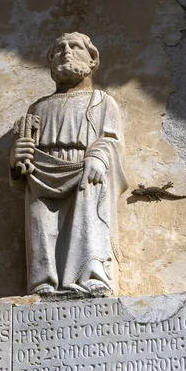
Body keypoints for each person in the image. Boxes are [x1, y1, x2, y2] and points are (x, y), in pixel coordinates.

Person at [10, 32, 128, 297]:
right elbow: (24, 158)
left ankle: (91, 275)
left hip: (86, 170)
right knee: (41, 223)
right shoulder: (38, 108)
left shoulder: (102, 102)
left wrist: (98, 156)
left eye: (75, 47)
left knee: (88, 218)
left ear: (92, 58)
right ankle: (44, 282)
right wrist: (17, 157)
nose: (66, 51)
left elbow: (111, 139)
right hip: (41, 174)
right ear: (51, 61)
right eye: (59, 49)